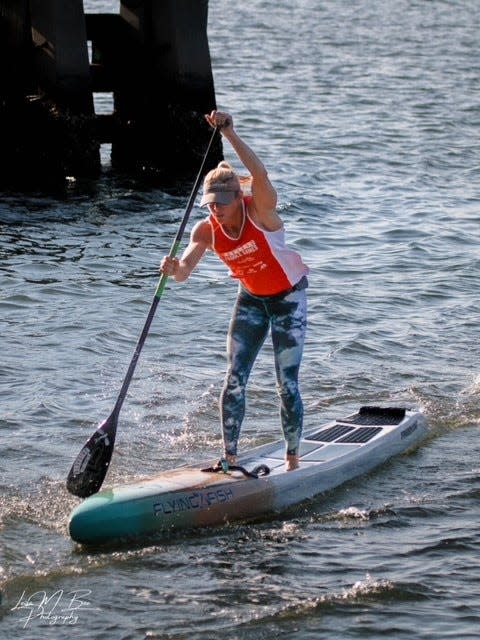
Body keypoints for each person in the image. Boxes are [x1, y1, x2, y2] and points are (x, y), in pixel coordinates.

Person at [160, 110, 308, 471]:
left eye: (221, 204)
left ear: (237, 199)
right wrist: (174, 268)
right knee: (234, 380)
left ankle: (292, 460)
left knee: (285, 382)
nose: (215, 211)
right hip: (252, 301)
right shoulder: (206, 230)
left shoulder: (261, 212)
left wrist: (230, 133)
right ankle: (229, 458)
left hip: (288, 298)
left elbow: (259, 174)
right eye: (209, 205)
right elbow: (184, 273)